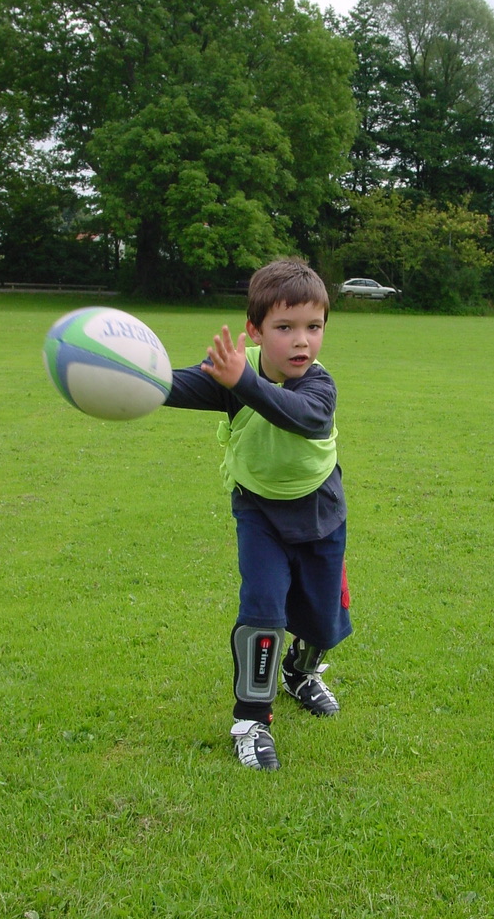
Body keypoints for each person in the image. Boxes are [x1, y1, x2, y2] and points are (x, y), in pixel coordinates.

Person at [164, 257, 351, 770]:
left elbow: (303, 417)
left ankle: (301, 673)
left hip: (321, 511)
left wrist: (242, 381)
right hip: (260, 514)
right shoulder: (234, 373)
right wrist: (123, 376)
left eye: (314, 328)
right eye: (285, 328)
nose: (302, 342)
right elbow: (169, 385)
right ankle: (251, 720)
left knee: (322, 618)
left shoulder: (318, 384)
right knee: (263, 612)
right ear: (254, 330)